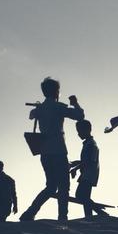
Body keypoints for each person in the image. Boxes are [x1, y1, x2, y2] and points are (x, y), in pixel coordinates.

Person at [20, 78, 84, 221]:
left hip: (45, 152)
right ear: (56, 91)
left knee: (50, 187)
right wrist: (75, 103)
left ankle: (29, 213)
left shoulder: (39, 109)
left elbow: (31, 115)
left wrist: (39, 107)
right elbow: (80, 116)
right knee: (63, 187)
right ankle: (62, 217)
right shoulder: (58, 107)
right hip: (59, 151)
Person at [69, 119, 108, 218]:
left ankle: (100, 212)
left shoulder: (91, 145)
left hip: (89, 174)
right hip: (87, 173)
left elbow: (90, 161)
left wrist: (75, 168)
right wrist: (75, 164)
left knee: (80, 196)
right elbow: (85, 160)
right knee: (85, 197)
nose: (78, 134)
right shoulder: (88, 144)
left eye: (80, 131)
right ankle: (89, 216)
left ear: (87, 130)